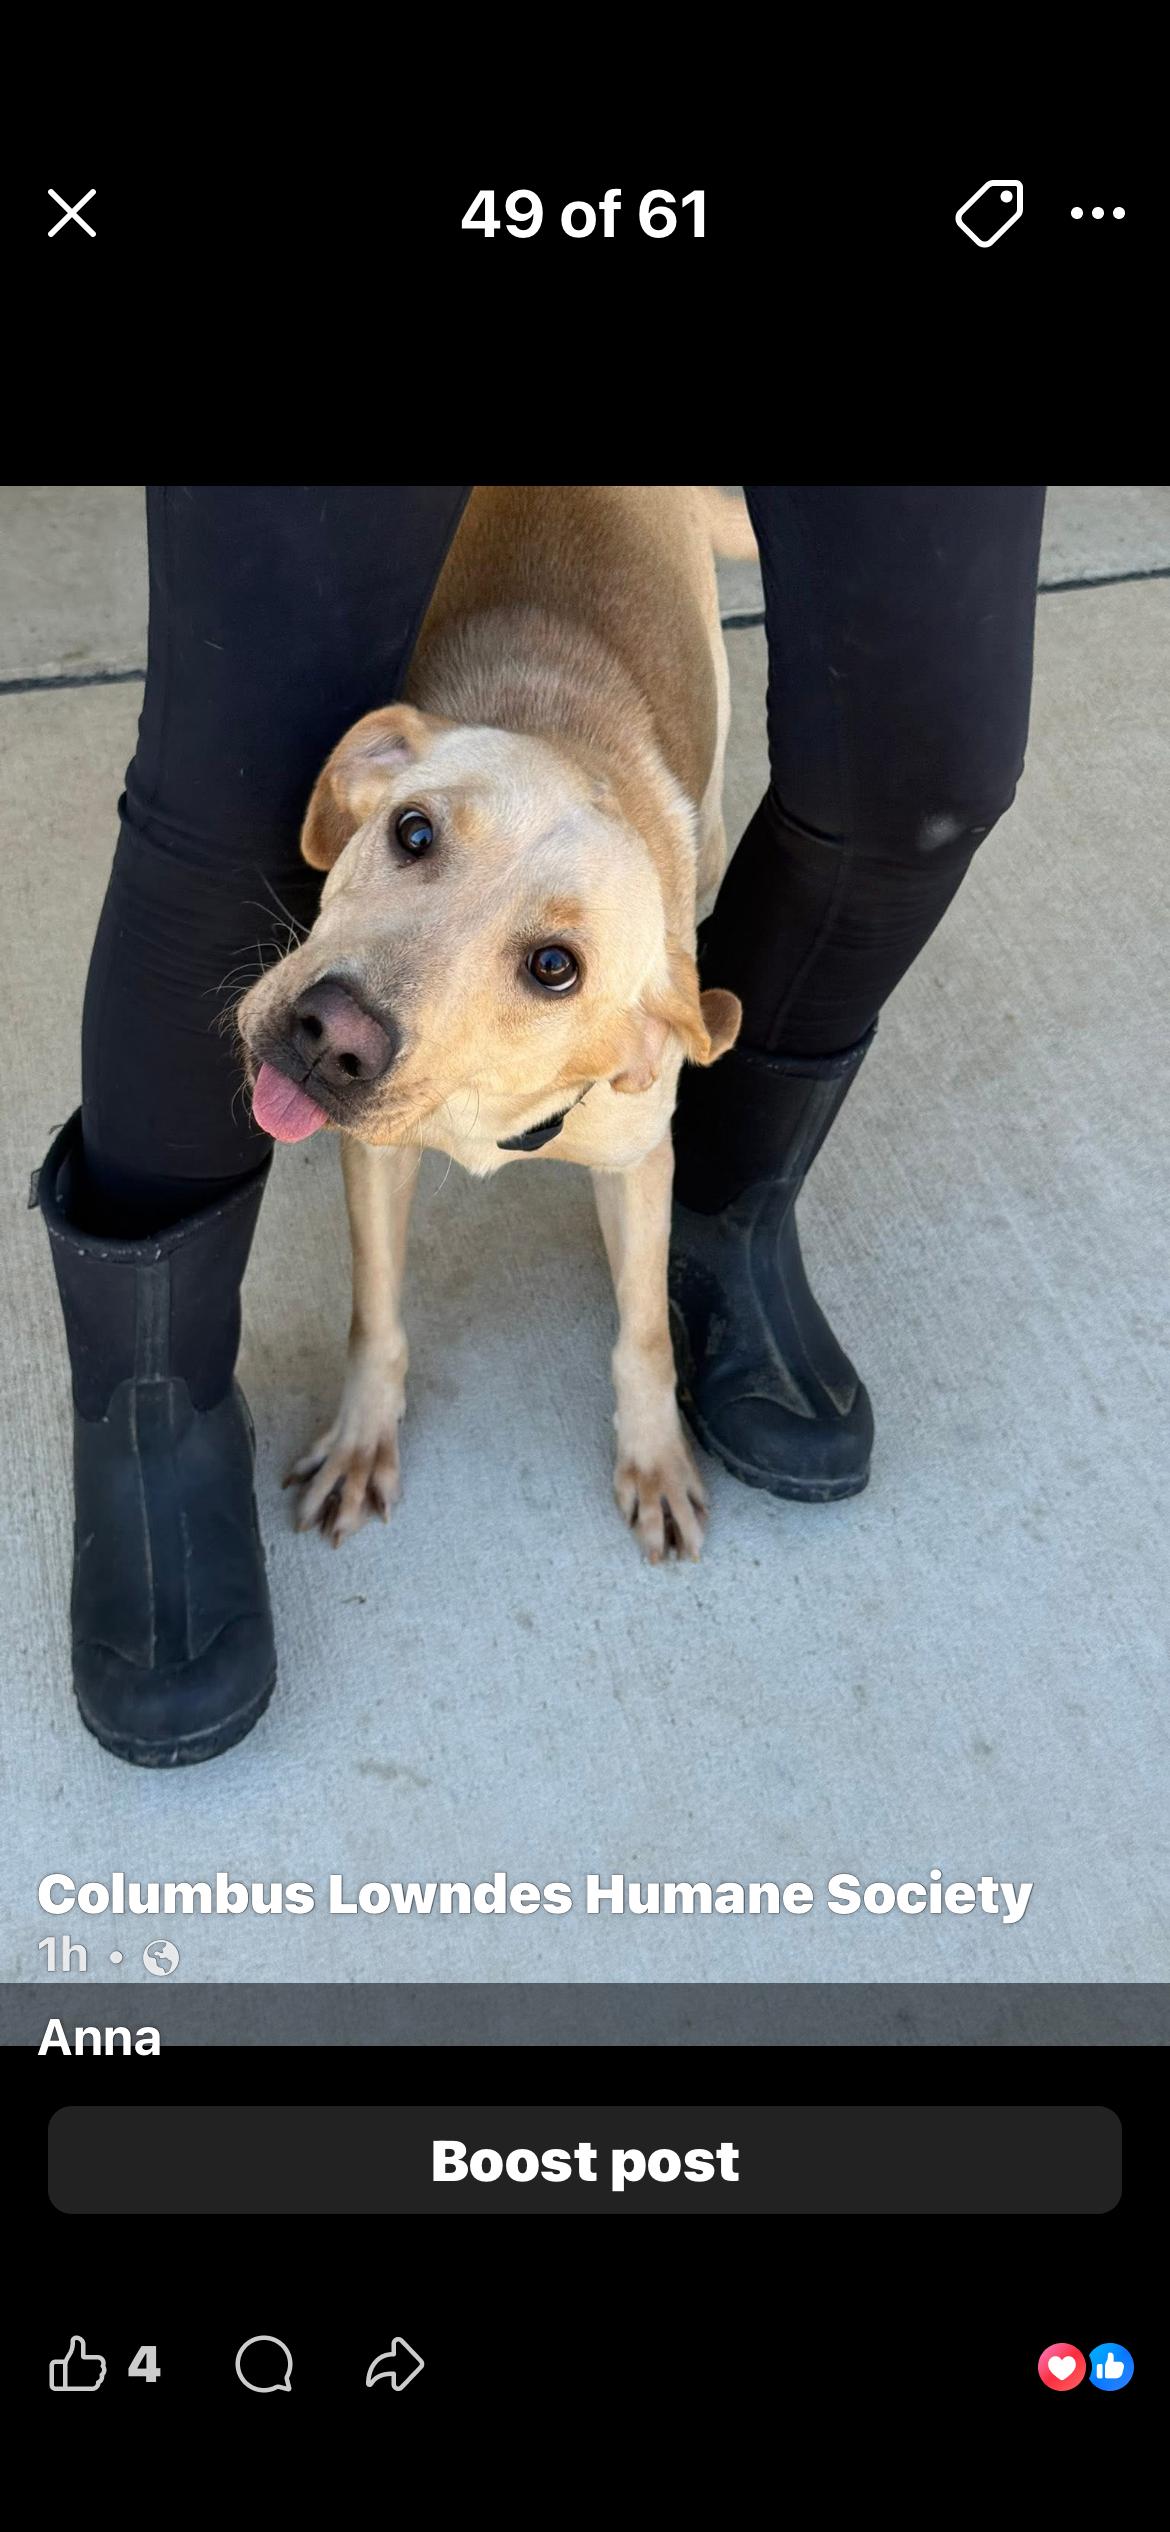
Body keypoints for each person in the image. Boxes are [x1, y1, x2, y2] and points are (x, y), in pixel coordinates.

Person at [35, 485, 1046, 1766]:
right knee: (223, 782)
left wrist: (645, 1401)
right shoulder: (413, 789)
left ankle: (724, 1233)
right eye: (414, 838)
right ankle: (153, 1404)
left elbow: (634, 1102)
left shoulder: (640, 1043)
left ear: (640, 1040)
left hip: (646, 678)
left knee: (925, 768)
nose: (354, 1012)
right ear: (376, 776)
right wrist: (375, 1367)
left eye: (552, 966)